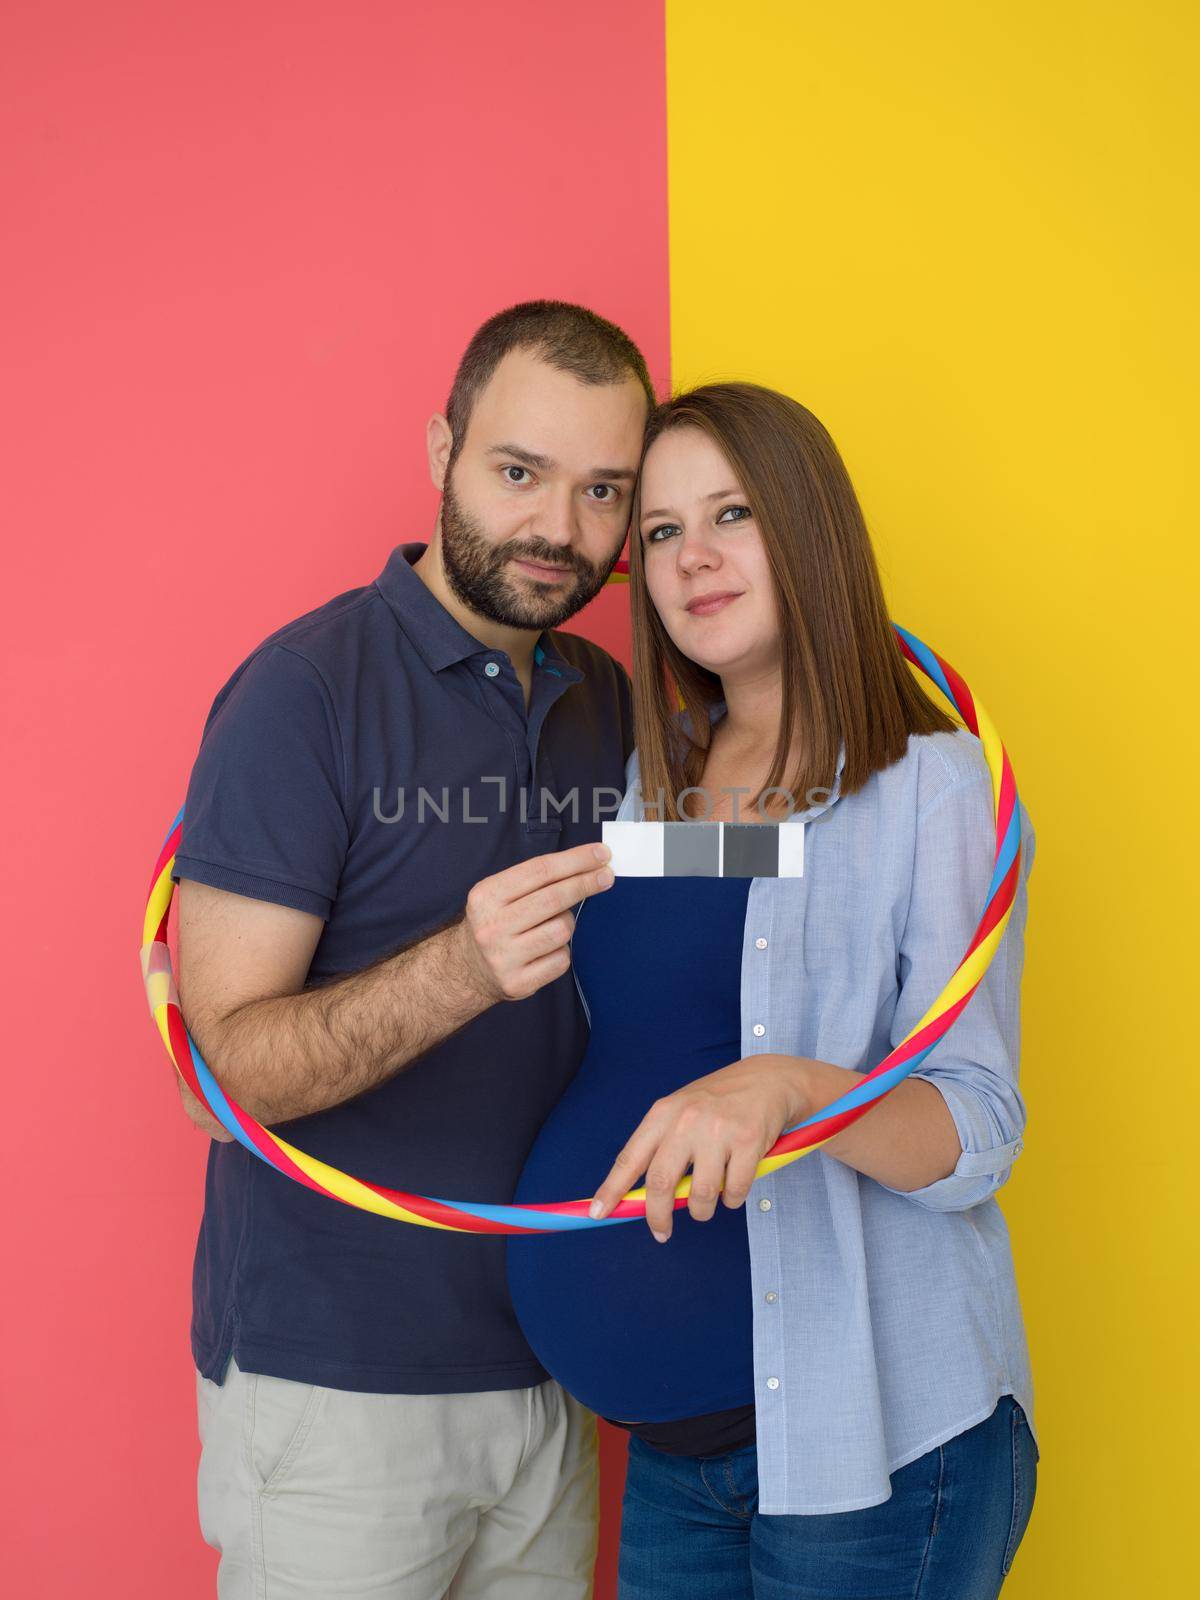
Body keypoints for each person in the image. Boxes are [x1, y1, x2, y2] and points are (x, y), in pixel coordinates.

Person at [506, 382, 1040, 1600]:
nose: (692, 558)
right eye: (657, 530)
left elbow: (978, 1131)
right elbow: (660, 1013)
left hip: (868, 1448)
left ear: (806, 527)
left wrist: (795, 1090)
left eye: (733, 513)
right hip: (677, 1459)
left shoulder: (934, 788)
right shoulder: (660, 782)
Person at [171, 299, 653, 1597]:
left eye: (604, 490)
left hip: (555, 1370)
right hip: (338, 1393)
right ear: (441, 453)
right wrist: (461, 967)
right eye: (519, 472)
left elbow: (721, 879)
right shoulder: (305, 694)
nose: (560, 527)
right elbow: (224, 1075)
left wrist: (862, 813)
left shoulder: (609, 702)